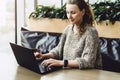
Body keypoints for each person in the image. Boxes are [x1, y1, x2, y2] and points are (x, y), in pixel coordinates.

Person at [34, 0, 102, 69]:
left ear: (82, 12)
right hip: (68, 73)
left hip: (88, 75)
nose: (69, 16)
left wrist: (61, 63)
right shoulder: (68, 29)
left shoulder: (91, 32)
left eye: (73, 13)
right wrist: (43, 56)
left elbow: (88, 62)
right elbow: (58, 51)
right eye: (67, 12)